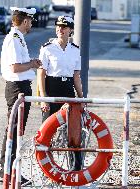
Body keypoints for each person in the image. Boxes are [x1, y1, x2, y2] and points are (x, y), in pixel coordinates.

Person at [0, 7, 42, 184]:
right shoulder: (15, 39)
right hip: (17, 88)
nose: (31, 24)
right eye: (30, 21)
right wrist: (32, 63)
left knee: (17, 131)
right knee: (14, 131)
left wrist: (31, 64)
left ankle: (10, 170)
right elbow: (15, 67)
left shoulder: (18, 38)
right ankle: (6, 171)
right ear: (25, 21)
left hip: (21, 87)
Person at [37, 15, 83, 170]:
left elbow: (76, 76)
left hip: (68, 89)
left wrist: (81, 98)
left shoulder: (75, 50)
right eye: (58, 26)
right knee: (46, 132)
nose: (60, 29)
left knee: (73, 131)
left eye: (64, 27)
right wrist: (43, 99)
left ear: (70, 30)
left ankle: (76, 168)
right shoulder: (47, 48)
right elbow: (41, 74)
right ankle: (46, 169)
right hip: (51, 89)